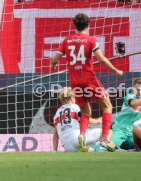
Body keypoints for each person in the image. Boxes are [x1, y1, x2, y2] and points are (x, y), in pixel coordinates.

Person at [50, 13, 123, 151]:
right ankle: (105, 139)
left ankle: (82, 135)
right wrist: (116, 70)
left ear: (75, 25)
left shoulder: (67, 41)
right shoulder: (90, 40)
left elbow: (55, 60)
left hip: (74, 81)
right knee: (107, 106)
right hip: (88, 78)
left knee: (85, 112)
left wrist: (52, 65)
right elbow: (101, 59)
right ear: (88, 25)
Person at [101, 77, 141, 152]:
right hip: (121, 128)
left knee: (139, 145)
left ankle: (121, 148)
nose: (139, 91)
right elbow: (133, 103)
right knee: (111, 145)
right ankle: (99, 147)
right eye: (137, 89)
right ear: (133, 89)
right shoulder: (130, 96)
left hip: (132, 133)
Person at [53, 87, 111, 152]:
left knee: (88, 149)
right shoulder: (74, 107)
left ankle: (92, 150)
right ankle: (104, 148)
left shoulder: (57, 114)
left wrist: (55, 150)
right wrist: (98, 121)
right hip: (76, 138)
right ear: (72, 97)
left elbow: (55, 135)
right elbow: (83, 118)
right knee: (108, 131)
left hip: (67, 146)